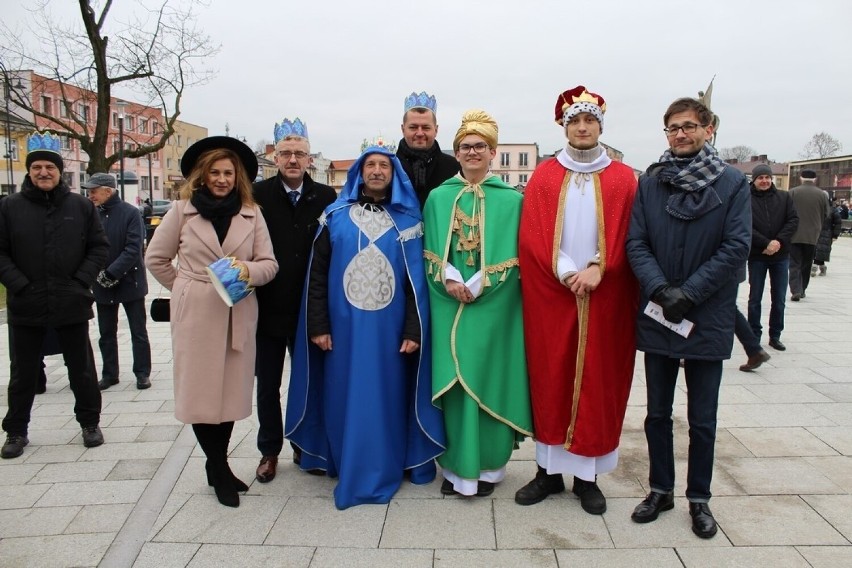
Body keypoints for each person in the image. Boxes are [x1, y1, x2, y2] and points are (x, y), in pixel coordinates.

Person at [284, 145, 445, 510]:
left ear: (393, 173)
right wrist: (318, 325)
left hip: (390, 337)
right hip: (342, 334)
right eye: (370, 164)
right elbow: (318, 277)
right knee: (343, 394)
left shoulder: (408, 222)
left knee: (385, 397)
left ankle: (392, 461)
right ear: (359, 172)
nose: (376, 171)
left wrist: (412, 331)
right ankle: (343, 461)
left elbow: (413, 284)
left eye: (383, 165)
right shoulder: (334, 216)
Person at [626, 98, 751, 539]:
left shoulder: (733, 183)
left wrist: (690, 292)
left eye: (689, 127)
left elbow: (736, 246)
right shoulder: (652, 182)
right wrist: (661, 290)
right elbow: (636, 241)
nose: (680, 134)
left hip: (708, 313)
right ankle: (661, 489)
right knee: (656, 412)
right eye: (673, 128)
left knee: (702, 417)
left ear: (708, 129)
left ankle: (700, 499)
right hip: (660, 312)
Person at [514, 86, 638, 515]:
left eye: (589, 121)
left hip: (607, 296)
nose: (582, 128)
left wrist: (602, 266)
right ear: (564, 127)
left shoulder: (624, 179)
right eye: (574, 122)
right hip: (554, 293)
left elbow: (631, 235)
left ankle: (588, 478)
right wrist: (568, 271)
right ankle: (547, 472)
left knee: (599, 381)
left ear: (601, 126)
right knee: (550, 377)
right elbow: (532, 234)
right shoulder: (546, 176)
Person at [145, 136, 279, 507]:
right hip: (198, 315)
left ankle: (216, 465)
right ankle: (218, 468)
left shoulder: (252, 213)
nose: (222, 180)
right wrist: (186, 288)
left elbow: (269, 264)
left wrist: (243, 271)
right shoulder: (181, 211)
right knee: (202, 394)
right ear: (202, 176)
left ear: (239, 179)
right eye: (215, 173)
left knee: (230, 394)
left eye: (229, 174)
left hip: (237, 311)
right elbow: (155, 259)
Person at [424, 110, 532, 497]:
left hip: (495, 307)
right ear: (456, 153)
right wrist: (451, 279)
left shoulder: (511, 201)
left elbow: (517, 255)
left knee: (489, 377)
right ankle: (456, 470)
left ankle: (488, 470)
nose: (472, 152)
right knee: (456, 387)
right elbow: (431, 251)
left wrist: (482, 282)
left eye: (479, 147)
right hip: (449, 302)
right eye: (465, 147)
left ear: (493, 153)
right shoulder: (439, 197)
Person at [0, 132, 109, 459]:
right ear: (29, 171)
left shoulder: (80, 206)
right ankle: (16, 430)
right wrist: (18, 284)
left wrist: (80, 282)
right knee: (23, 373)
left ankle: (90, 422)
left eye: (50, 167)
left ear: (60, 172)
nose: (43, 172)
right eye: (37, 168)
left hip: (70, 301)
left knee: (82, 370)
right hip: (26, 303)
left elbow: (99, 247)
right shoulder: (9, 207)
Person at [251, 119, 336, 483]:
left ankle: (306, 441)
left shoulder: (327, 198)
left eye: (300, 153)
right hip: (267, 306)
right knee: (268, 384)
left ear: (309, 159)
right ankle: (269, 450)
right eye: (285, 153)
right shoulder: (257, 196)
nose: (292, 159)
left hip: (309, 308)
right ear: (275, 154)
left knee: (309, 380)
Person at [84, 173, 153, 390]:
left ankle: (142, 373)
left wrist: (112, 273)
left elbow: (133, 248)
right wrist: (96, 273)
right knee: (106, 332)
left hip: (129, 280)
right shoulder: (90, 214)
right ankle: (109, 373)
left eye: (94, 190)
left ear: (108, 190)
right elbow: (86, 246)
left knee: (138, 331)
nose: (90, 194)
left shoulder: (130, 212)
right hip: (101, 282)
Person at [745, 164, 798, 352]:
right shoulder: (746, 199)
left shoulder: (784, 197)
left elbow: (793, 221)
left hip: (780, 255)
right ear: (754, 180)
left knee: (779, 298)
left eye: (768, 177)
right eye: (761, 178)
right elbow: (745, 226)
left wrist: (777, 243)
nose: (765, 181)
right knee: (755, 297)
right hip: (757, 255)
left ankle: (775, 335)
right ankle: (753, 335)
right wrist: (766, 243)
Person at [396, 91, 460, 209]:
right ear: (403, 129)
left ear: (436, 130)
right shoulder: (390, 167)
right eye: (413, 127)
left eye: (426, 127)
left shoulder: (455, 169)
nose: (420, 133)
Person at [788, 170, 831, 301]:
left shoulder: (792, 192)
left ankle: (795, 289)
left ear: (801, 178)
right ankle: (802, 289)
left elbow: (785, 212)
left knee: (794, 263)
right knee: (807, 263)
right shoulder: (821, 195)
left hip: (794, 234)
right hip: (813, 235)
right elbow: (826, 214)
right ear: (815, 179)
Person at [812, 202, 841, 276]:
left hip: (826, 233)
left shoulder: (832, 210)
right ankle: (821, 267)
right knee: (817, 249)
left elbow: (838, 223)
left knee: (821, 250)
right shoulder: (817, 208)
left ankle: (814, 267)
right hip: (817, 232)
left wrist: (835, 235)